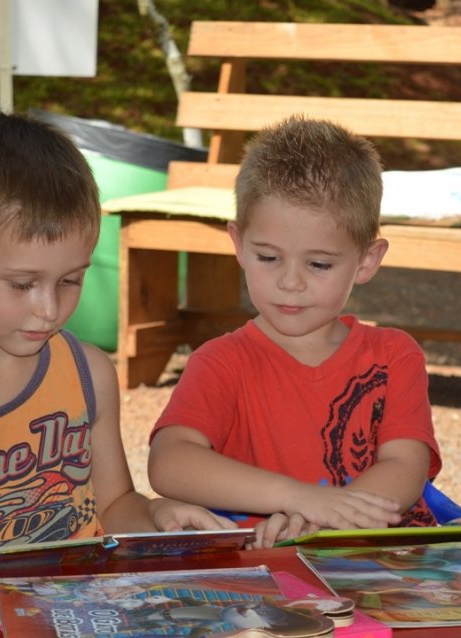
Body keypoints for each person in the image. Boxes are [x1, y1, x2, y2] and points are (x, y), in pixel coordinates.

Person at [0, 112, 235, 637]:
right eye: (22, 284)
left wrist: (158, 515)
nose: (50, 309)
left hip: (84, 618)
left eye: (70, 280)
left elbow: (114, 505)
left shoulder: (87, 374)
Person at [148, 115, 442, 548]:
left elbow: (405, 466)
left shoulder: (394, 355)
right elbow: (169, 463)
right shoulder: (221, 362)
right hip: (268, 567)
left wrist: (326, 520)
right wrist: (300, 499)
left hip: (377, 561)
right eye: (268, 258)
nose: (290, 282)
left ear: (366, 261)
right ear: (239, 244)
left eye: (318, 264)